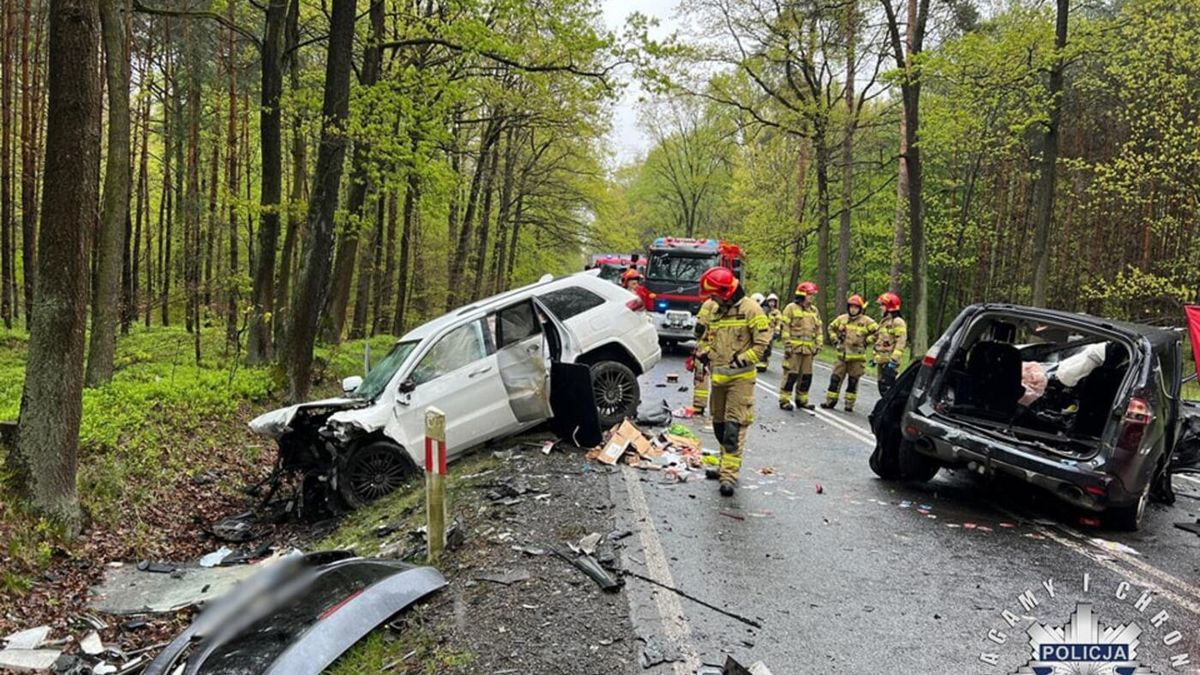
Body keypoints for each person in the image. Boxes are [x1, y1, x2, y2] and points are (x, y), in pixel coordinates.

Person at [694, 266, 771, 496]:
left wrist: (743, 359)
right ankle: (722, 466)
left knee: (733, 429)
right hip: (718, 379)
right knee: (719, 426)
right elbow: (707, 336)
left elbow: (762, 342)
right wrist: (704, 352)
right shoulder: (716, 309)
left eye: (715, 295)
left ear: (726, 292)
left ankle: (729, 475)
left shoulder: (751, 309)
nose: (712, 299)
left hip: (741, 380)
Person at [821, 294, 878, 412]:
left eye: (856, 307)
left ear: (860, 309)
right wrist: (834, 338)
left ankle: (849, 404)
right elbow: (831, 327)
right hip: (842, 357)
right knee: (835, 379)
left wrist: (867, 341)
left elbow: (878, 332)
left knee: (853, 381)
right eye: (851, 307)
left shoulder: (867, 321)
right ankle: (830, 401)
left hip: (857, 359)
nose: (853, 309)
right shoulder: (842, 319)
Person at [778, 281, 823, 410]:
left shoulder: (814, 310)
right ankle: (784, 400)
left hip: (808, 350)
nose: (811, 297)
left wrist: (818, 345)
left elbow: (819, 329)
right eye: (809, 294)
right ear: (802, 295)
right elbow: (785, 327)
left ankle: (802, 400)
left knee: (806, 376)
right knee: (791, 375)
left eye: (812, 295)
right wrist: (787, 345)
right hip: (793, 349)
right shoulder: (791, 308)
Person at [686, 297, 718, 415]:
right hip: (720, 347)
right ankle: (717, 409)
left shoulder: (708, 304)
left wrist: (697, 336)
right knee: (719, 379)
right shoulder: (730, 305)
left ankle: (699, 405)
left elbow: (700, 326)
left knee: (701, 376)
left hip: (704, 346)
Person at [873, 292, 907, 396]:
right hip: (881, 361)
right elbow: (879, 339)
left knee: (889, 389)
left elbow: (901, 341)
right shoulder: (884, 322)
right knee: (882, 388)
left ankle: (889, 411)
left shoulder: (898, 322)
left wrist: (893, 360)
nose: (880, 308)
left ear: (889, 306)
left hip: (890, 362)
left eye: (882, 305)